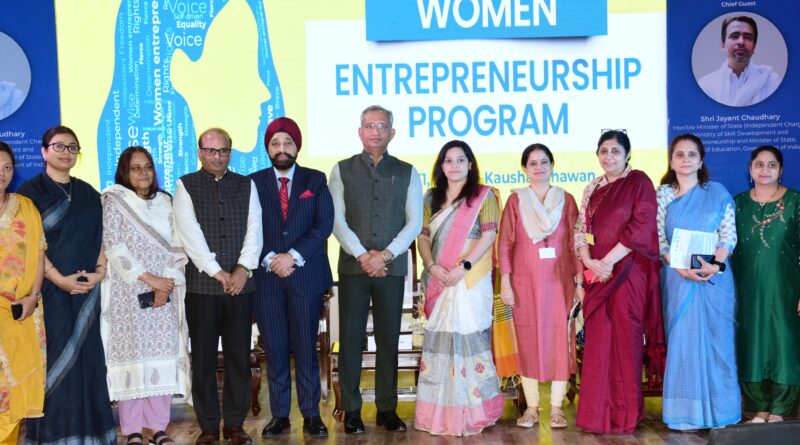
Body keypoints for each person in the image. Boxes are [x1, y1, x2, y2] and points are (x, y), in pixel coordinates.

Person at [17, 126, 117, 444]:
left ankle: (92, 435)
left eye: (72, 147)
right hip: (49, 295)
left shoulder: (88, 192)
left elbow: (102, 236)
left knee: (88, 363)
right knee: (55, 364)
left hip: (87, 294)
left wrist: (100, 271)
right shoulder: (29, 195)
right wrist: (59, 280)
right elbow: (31, 246)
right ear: (44, 151)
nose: (66, 152)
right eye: (59, 146)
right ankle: (54, 437)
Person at [329, 105, 423, 434]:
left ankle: (387, 408)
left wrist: (384, 256)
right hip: (353, 270)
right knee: (351, 341)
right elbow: (336, 221)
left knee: (388, 340)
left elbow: (415, 223)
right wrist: (363, 255)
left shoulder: (408, 171)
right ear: (360, 131)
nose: (375, 131)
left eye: (382, 126)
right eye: (369, 125)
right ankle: (352, 410)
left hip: (392, 269)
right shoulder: (340, 170)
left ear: (392, 132)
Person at [173, 128, 263, 445]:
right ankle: (209, 426)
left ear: (230, 152)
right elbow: (190, 234)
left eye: (222, 151)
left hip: (241, 287)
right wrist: (217, 272)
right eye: (210, 151)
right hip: (202, 289)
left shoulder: (246, 184)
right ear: (200, 152)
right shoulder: (185, 185)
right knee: (204, 360)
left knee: (240, 356)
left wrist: (242, 269)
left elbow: (255, 228)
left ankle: (235, 425)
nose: (217, 156)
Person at [573, 130, 665, 434]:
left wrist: (608, 261)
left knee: (625, 342)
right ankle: (596, 415)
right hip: (597, 276)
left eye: (615, 151)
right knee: (599, 343)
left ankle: (625, 415)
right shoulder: (592, 188)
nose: (608, 156)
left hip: (628, 273)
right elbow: (580, 229)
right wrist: (589, 261)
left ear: (627, 154)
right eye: (603, 151)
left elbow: (642, 226)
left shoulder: (638, 182)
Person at [100, 146, 192, 445]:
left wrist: (165, 282)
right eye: (135, 168)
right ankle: (133, 429)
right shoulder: (114, 199)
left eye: (147, 167)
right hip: (128, 292)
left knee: (161, 356)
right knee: (133, 357)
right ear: (124, 173)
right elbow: (113, 246)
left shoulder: (166, 201)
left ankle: (157, 426)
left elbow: (179, 244)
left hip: (164, 290)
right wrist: (150, 279)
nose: (143, 173)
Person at [250, 117, 333, 439]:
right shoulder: (253, 182)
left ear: (297, 146)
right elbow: (249, 230)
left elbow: (323, 224)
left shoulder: (315, 180)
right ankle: (280, 415)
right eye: (275, 144)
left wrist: (292, 257)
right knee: (276, 349)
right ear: (267, 148)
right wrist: (271, 259)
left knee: (305, 348)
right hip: (268, 280)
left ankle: (312, 414)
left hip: (306, 277)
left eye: (287, 143)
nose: (282, 149)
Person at [413, 140, 503, 436]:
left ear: (470, 164)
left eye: (460, 160)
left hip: (471, 279)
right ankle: (438, 414)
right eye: (448, 160)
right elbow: (423, 237)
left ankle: (474, 411)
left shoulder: (484, 196)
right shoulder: (430, 198)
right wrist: (432, 266)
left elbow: (489, 235)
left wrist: (461, 267)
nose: (454, 166)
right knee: (441, 346)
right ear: (441, 166)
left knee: (472, 339)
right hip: (439, 278)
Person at [656, 134, 740, 430]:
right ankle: (686, 415)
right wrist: (680, 269)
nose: (686, 160)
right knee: (683, 344)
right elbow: (659, 238)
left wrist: (714, 264)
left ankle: (720, 411)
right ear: (671, 160)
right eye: (679, 155)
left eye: (692, 155)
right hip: (679, 280)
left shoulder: (716, 192)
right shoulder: (663, 194)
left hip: (714, 279)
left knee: (719, 345)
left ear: (701, 160)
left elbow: (728, 234)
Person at [498, 143, 584, 430]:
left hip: (560, 283)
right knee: (528, 341)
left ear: (552, 165)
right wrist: (506, 284)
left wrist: (580, 281)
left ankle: (557, 407)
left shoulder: (567, 200)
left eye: (544, 162)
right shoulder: (515, 201)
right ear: (524, 168)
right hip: (525, 283)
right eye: (532, 163)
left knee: (562, 340)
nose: (539, 167)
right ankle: (532, 407)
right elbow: (505, 244)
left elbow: (576, 245)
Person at [732, 146, 800, 423]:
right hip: (746, 290)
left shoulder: (796, 201)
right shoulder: (736, 204)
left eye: (771, 165)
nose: (765, 170)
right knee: (752, 343)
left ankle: (781, 409)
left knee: (785, 343)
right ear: (750, 170)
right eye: (759, 164)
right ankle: (759, 408)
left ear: (780, 170)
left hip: (786, 288)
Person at [0, 142, 45, 444]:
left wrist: (34, 295)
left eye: (6, 167)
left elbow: (38, 255)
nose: (2, 173)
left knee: (11, 392)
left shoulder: (25, 207)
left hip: (19, 313)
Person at [698, 15, 781, 107]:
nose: (741, 42)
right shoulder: (706, 85)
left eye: (747, 37)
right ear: (722, 45)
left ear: (754, 47)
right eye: (734, 36)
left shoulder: (772, 82)